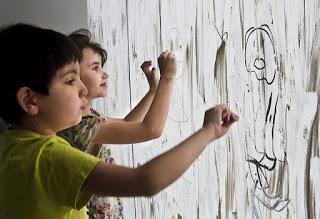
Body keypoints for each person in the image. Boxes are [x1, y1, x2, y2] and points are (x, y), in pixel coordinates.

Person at [0, 23, 239, 219]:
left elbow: (127, 125)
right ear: (29, 100)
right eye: (71, 81)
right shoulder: (50, 156)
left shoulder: (12, 146)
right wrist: (208, 132)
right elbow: (146, 179)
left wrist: (152, 91)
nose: (83, 89)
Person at [57, 29, 176, 218]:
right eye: (95, 68)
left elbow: (128, 124)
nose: (105, 74)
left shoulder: (87, 118)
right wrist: (167, 78)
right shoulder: (79, 126)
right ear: (73, 76)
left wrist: (153, 91)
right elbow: (151, 130)